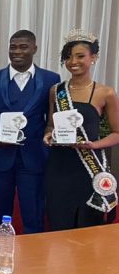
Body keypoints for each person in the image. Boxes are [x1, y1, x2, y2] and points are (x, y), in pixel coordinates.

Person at [0, 30, 59, 235]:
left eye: (23, 47)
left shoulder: (51, 79)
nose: (17, 52)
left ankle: (34, 258)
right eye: (13, 47)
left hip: (33, 157)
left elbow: (52, 118)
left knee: (34, 214)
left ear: (34, 49)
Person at [44, 30, 119, 231]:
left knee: (88, 223)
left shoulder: (106, 93)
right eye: (68, 57)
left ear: (93, 58)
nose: (73, 62)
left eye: (80, 56)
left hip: (88, 167)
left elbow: (116, 133)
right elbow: (51, 125)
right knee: (58, 217)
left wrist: (94, 144)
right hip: (59, 165)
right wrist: (48, 135)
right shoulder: (56, 90)